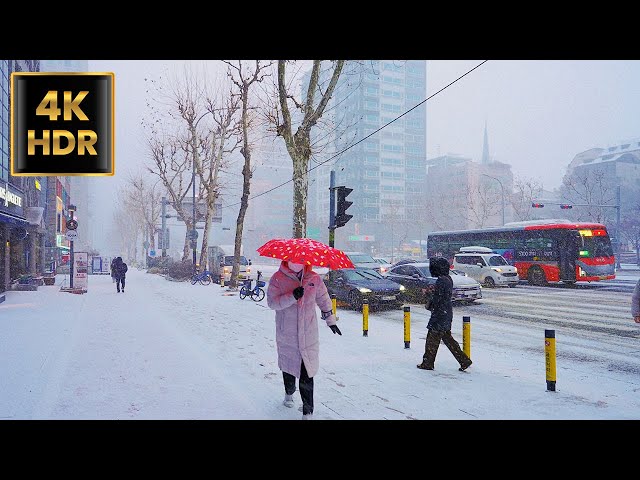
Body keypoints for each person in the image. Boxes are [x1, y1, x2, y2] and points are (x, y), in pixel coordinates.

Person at [266, 260, 341, 420]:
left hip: (308, 335)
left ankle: (308, 412)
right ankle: (289, 393)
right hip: (287, 334)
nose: (297, 262)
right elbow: (272, 303)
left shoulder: (313, 279)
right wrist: (292, 296)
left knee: (307, 373)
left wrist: (331, 321)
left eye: (301, 259)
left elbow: (323, 299)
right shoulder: (277, 278)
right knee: (289, 369)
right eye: (294, 259)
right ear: (287, 260)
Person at [417, 257, 473, 372]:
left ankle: (428, 363)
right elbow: (442, 295)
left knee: (431, 340)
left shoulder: (441, 280)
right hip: (446, 313)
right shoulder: (447, 278)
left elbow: (437, 300)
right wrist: (434, 291)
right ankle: (464, 360)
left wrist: (428, 294)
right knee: (448, 339)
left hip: (440, 315)